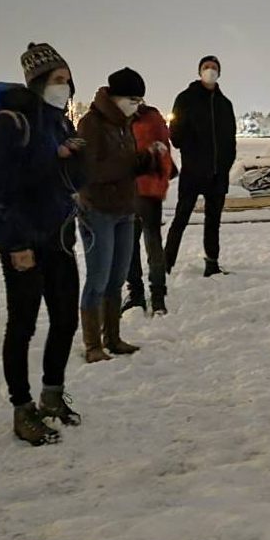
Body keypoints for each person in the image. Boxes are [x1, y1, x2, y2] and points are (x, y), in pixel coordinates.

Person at [0, 42, 85, 445]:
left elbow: (76, 181)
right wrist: (15, 242)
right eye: (58, 80)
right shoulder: (12, 121)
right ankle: (21, 409)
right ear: (39, 81)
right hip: (24, 241)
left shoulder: (61, 122)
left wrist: (75, 157)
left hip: (60, 237)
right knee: (22, 326)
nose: (65, 87)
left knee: (65, 320)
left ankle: (52, 396)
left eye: (68, 80)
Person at [77, 68, 164, 363]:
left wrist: (146, 158)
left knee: (116, 278)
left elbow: (123, 164)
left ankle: (112, 337)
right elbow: (92, 170)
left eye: (140, 100)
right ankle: (92, 344)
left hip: (125, 210)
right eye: (132, 99)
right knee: (98, 278)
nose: (136, 105)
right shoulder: (92, 124)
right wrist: (133, 162)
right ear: (114, 97)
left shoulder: (125, 123)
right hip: (97, 210)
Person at [164, 55, 237, 277]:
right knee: (181, 219)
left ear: (219, 73)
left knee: (213, 222)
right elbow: (175, 134)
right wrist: (188, 143)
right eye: (206, 67)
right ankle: (166, 264)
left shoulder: (225, 104)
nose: (210, 70)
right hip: (193, 172)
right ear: (199, 71)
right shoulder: (186, 99)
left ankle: (212, 263)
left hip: (218, 174)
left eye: (214, 67)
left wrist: (225, 164)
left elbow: (230, 138)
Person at [122, 103, 174, 316]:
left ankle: (153, 294)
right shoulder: (124, 119)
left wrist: (159, 183)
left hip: (146, 190)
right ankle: (140, 293)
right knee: (133, 244)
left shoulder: (149, 119)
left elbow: (164, 154)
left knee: (147, 242)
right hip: (128, 190)